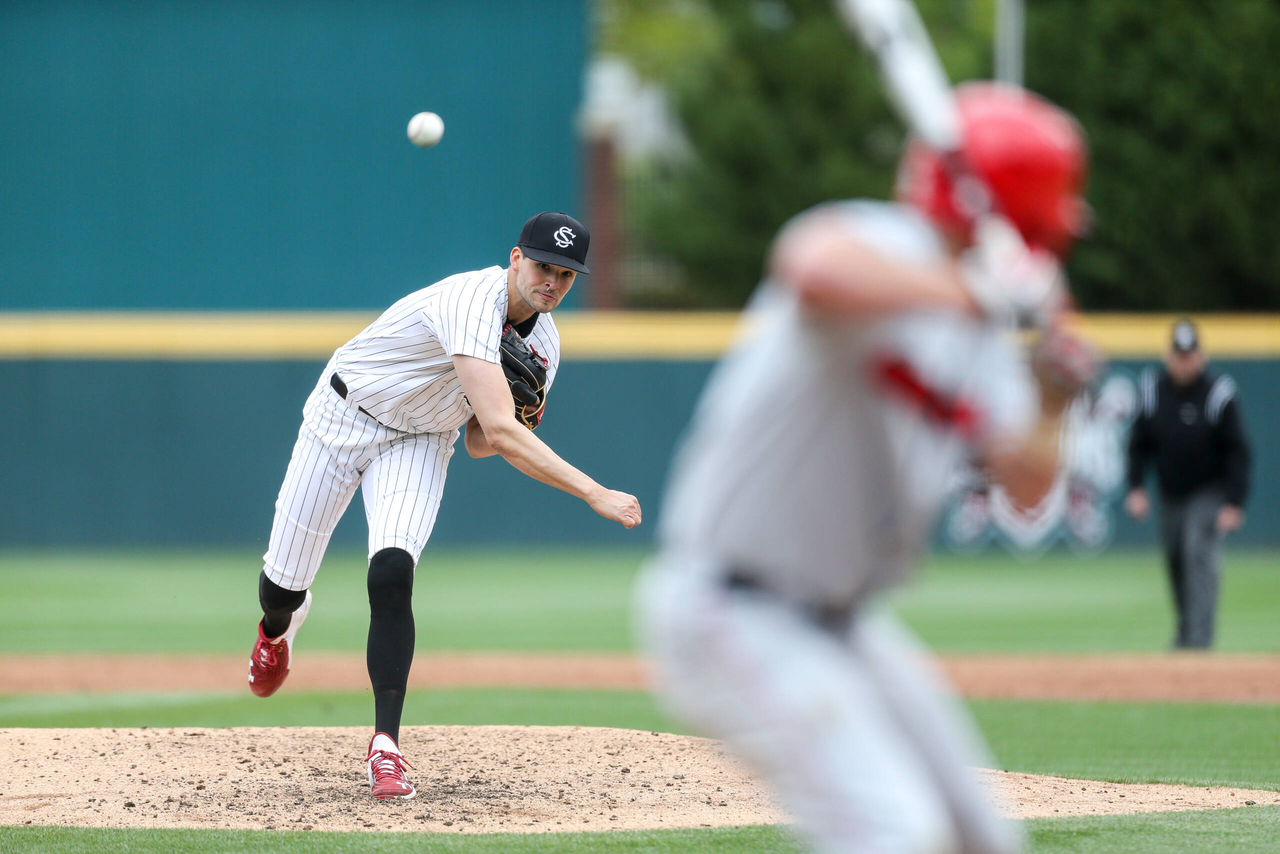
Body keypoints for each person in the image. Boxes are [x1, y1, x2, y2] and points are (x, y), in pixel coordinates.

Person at [635, 82, 1095, 854]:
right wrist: (973, 290)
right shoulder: (879, 241)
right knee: (892, 832)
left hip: (844, 623)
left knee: (980, 837)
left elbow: (1023, 485)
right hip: (733, 607)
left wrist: (1051, 402)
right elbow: (813, 268)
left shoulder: (985, 336)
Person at [248, 211, 642, 800]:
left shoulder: (547, 345)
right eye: (543, 266)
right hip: (341, 415)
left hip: (421, 441)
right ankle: (277, 631)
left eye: (567, 274)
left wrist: (514, 410)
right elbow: (506, 436)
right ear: (515, 257)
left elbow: (485, 441)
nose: (553, 282)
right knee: (281, 588)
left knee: (392, 572)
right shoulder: (470, 299)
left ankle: (386, 749)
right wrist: (593, 490)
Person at [1125, 318, 1250, 649]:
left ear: (1201, 355)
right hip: (1170, 492)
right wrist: (1136, 486)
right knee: (1176, 558)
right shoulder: (1153, 390)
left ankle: (1198, 640)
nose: (1184, 361)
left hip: (1209, 490)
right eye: (1178, 354)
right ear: (1169, 356)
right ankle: (1186, 633)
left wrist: (1234, 502)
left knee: (1198, 554)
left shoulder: (1218, 393)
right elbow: (1137, 444)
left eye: (1189, 354)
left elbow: (1239, 451)